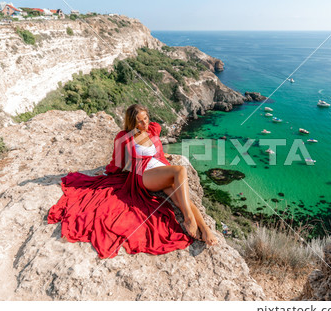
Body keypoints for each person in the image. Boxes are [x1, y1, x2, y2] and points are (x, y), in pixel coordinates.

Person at [48, 104, 217, 259]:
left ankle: (205, 230)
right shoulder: (124, 137)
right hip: (144, 174)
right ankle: (188, 218)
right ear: (132, 122)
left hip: (160, 170)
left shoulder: (152, 129)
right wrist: (107, 172)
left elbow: (156, 149)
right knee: (180, 170)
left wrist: (163, 155)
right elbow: (118, 162)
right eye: (139, 121)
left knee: (181, 198)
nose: (144, 123)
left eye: (145, 118)